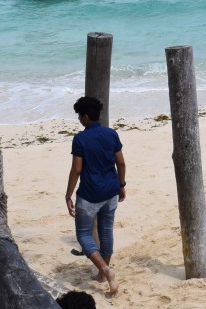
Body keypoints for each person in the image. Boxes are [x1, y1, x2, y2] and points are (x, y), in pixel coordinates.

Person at [65, 96, 125, 294]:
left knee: (83, 234)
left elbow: (76, 170)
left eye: (80, 116)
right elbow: (121, 163)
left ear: (85, 117)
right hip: (111, 191)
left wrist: (68, 195)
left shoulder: (80, 139)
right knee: (106, 230)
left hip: (90, 194)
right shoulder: (111, 134)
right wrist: (121, 184)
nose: (79, 120)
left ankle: (105, 270)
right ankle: (102, 275)